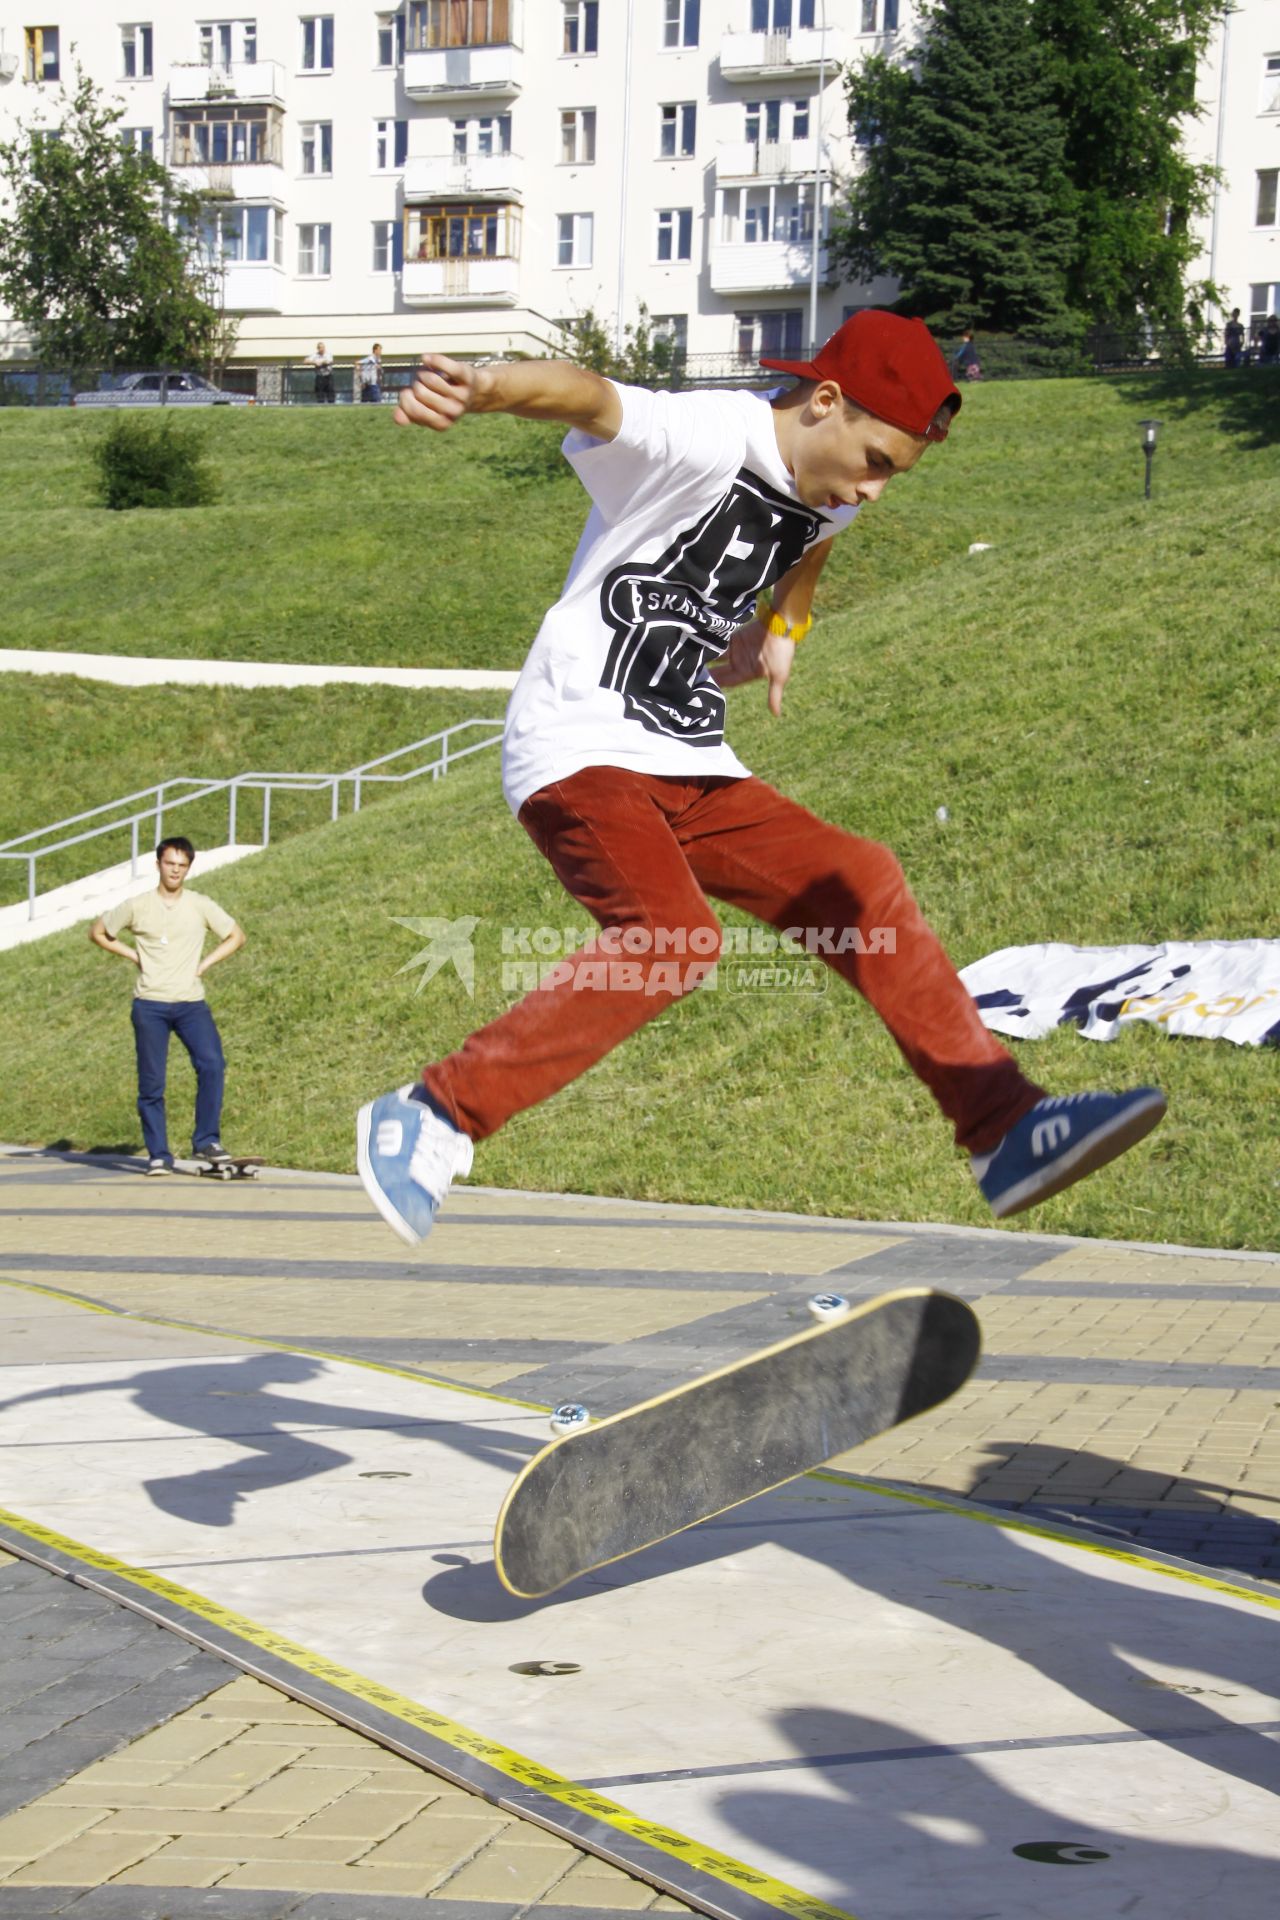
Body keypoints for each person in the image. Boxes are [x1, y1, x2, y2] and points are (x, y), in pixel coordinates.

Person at [356, 311, 1166, 1246]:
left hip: (687, 755)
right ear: (823, 401)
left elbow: (814, 536)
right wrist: (489, 387)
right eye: (873, 460)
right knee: (671, 941)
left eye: (893, 473)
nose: (874, 490)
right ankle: (432, 1114)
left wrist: (784, 629)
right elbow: (588, 394)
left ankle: (1005, 1131)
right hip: (579, 740)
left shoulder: (836, 489)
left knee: (859, 880)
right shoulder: (708, 435)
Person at [90, 838, 246, 1174]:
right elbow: (99, 932)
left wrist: (204, 965)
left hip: (191, 1003)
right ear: (158, 864)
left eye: (181, 865)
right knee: (152, 1083)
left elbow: (236, 936)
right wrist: (132, 954)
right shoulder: (138, 905)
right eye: (169, 863)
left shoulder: (200, 904)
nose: (175, 870)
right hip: (150, 1005)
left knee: (212, 1064)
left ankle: (206, 1140)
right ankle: (158, 1154)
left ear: (188, 868)